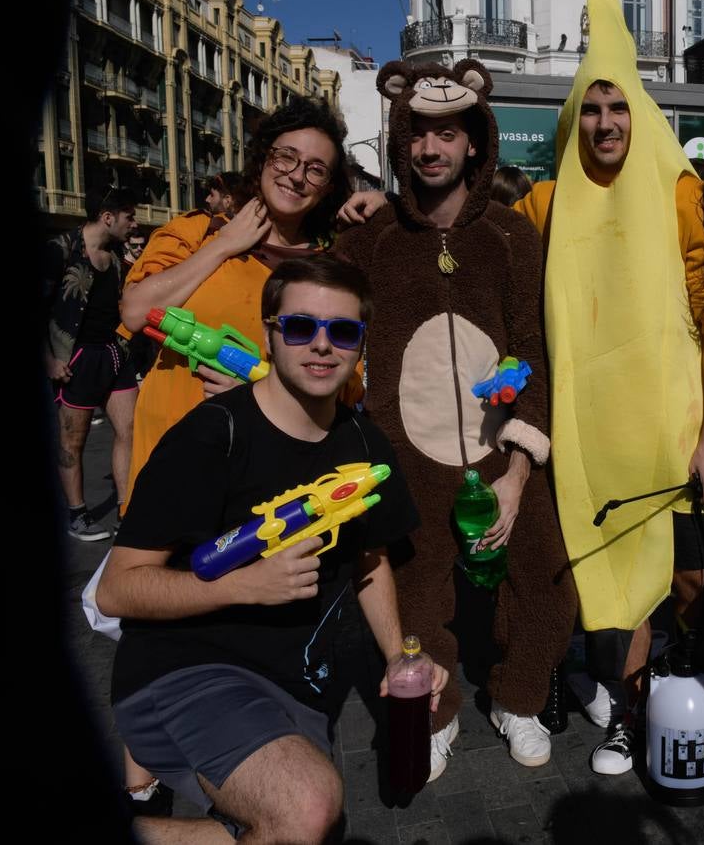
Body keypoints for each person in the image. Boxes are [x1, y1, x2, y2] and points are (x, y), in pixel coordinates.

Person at [97, 255, 446, 843]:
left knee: (309, 825)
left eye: (342, 331)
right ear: (268, 334)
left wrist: (396, 659)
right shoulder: (212, 436)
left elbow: (370, 560)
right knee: (307, 807)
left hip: (296, 681)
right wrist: (241, 585)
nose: (321, 345)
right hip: (188, 667)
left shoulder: (364, 442)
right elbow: (116, 588)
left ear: (361, 345)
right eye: (300, 326)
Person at [336, 59, 576, 777]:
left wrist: (518, 469)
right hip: (407, 453)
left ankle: (520, 700)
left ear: (477, 143)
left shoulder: (511, 236)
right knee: (415, 601)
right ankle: (434, 711)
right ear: (402, 140)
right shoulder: (373, 237)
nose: (432, 148)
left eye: (449, 133)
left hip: (501, 452)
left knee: (545, 588)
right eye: (419, 133)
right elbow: (313, 305)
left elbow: (532, 348)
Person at [515, 0, 704, 776]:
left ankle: (689, 689)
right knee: (616, 579)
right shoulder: (544, 201)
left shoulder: (679, 189)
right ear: (577, 119)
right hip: (591, 430)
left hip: (672, 425)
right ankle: (628, 713)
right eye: (592, 108)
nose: (606, 122)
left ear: (639, 112)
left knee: (691, 576)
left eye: (618, 106)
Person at [119, 96, 357, 506]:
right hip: (169, 463)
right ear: (264, 158)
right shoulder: (197, 231)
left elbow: (347, 390)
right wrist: (224, 245)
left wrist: (263, 387)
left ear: (328, 188)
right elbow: (137, 311)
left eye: (316, 169)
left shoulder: (330, 267)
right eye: (286, 157)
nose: (296, 176)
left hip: (265, 477)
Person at [42, 186, 141, 541]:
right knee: (73, 441)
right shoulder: (60, 250)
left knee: (129, 430)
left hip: (114, 353)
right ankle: (77, 514)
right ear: (108, 217)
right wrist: (50, 359)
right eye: (129, 216)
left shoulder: (116, 255)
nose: (135, 222)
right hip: (76, 358)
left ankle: (125, 509)